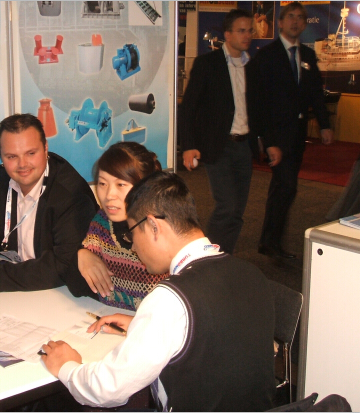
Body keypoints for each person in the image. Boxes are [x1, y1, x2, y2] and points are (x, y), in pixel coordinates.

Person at [40, 171, 275, 411]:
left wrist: (67, 366)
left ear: (153, 226)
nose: (134, 246)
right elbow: (218, 335)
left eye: (132, 233)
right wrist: (142, 325)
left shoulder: (170, 300)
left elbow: (107, 389)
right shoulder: (251, 273)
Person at [0, 113, 98, 295]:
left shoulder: (71, 194)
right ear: (1, 156)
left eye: (31, 153)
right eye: (12, 156)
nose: (22, 164)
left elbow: (62, 266)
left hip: (59, 296)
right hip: (20, 292)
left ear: (45, 148)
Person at [249, 1, 333, 259]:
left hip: (297, 133)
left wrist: (325, 124)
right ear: (281, 22)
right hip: (276, 134)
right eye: (291, 16)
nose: (296, 21)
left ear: (304, 24)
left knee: (284, 187)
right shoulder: (267, 55)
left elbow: (315, 92)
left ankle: (269, 240)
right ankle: (271, 243)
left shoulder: (306, 55)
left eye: (300, 18)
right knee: (286, 185)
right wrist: (267, 140)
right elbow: (258, 101)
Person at [179, 8, 257, 254]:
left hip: (244, 146)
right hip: (218, 146)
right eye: (241, 31)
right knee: (227, 206)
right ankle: (206, 257)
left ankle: (224, 256)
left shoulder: (252, 65)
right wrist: (188, 145)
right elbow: (188, 107)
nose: (247, 35)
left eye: (250, 31)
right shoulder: (208, 64)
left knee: (238, 211)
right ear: (227, 34)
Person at [77, 142, 168, 310]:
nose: (109, 195)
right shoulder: (102, 223)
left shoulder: (163, 229)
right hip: (108, 317)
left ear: (145, 186)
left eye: (121, 185)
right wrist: (82, 254)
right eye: (102, 184)